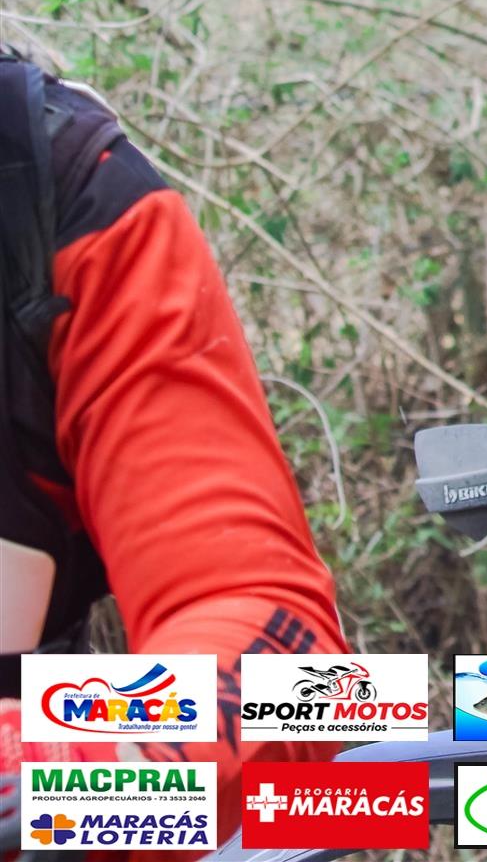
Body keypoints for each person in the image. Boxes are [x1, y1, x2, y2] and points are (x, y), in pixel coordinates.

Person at [0, 52, 348, 858]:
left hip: (47, 793)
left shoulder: (58, 190)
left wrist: (74, 769)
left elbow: (292, 669)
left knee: (371, 764)